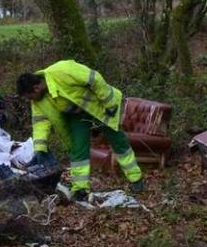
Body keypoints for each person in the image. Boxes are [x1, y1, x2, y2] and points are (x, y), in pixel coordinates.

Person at [17, 60, 144, 201]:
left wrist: (108, 103)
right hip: (77, 116)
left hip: (99, 107)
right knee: (78, 149)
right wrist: (40, 148)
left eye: (30, 97)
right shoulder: (37, 101)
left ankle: (136, 178)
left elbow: (94, 78)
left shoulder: (61, 70)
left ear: (36, 88)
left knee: (118, 141)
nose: (31, 100)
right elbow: (40, 123)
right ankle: (80, 189)